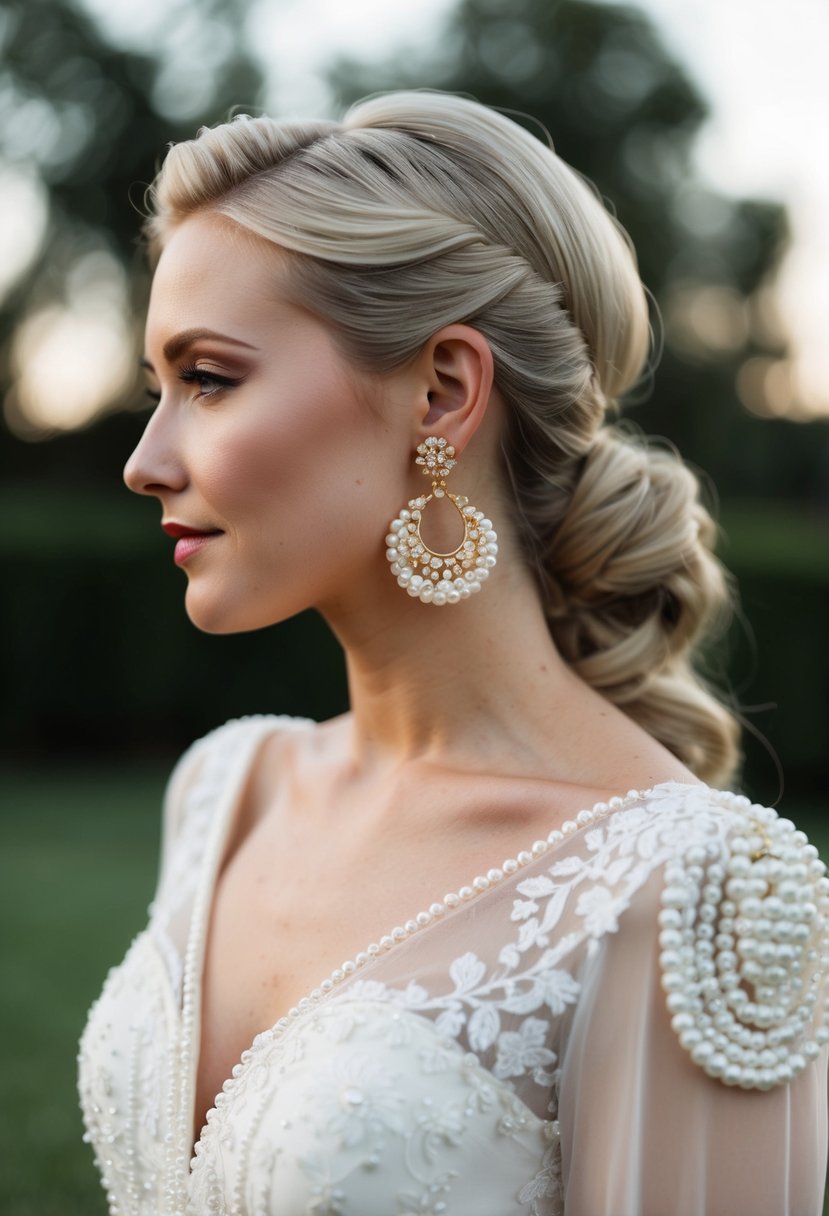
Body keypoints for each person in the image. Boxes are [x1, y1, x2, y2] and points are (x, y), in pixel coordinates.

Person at [78, 90, 829, 1215]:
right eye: (158, 388)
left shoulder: (689, 889)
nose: (146, 459)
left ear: (441, 392)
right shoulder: (224, 791)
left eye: (211, 379)